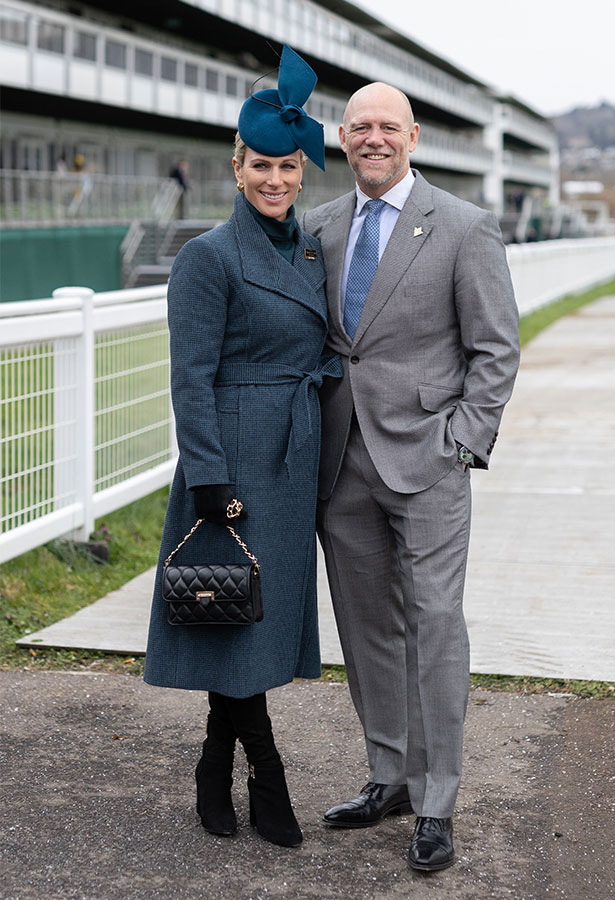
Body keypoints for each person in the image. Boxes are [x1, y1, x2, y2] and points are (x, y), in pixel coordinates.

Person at [302, 83, 520, 871]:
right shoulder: (318, 228)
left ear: (414, 136)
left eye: (387, 126)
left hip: (429, 460)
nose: (373, 137)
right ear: (342, 137)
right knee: (365, 631)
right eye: (359, 126)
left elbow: (496, 349)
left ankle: (435, 802)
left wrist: (464, 443)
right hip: (342, 460)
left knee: (434, 624)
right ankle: (388, 776)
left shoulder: (464, 227)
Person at [144, 45, 340, 849]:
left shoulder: (307, 249)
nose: (277, 180)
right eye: (262, 166)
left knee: (251, 619)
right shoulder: (207, 256)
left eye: (290, 167)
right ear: (236, 166)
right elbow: (189, 377)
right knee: (233, 614)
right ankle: (267, 772)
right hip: (232, 463)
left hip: (292, 458)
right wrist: (207, 479)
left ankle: (213, 759)